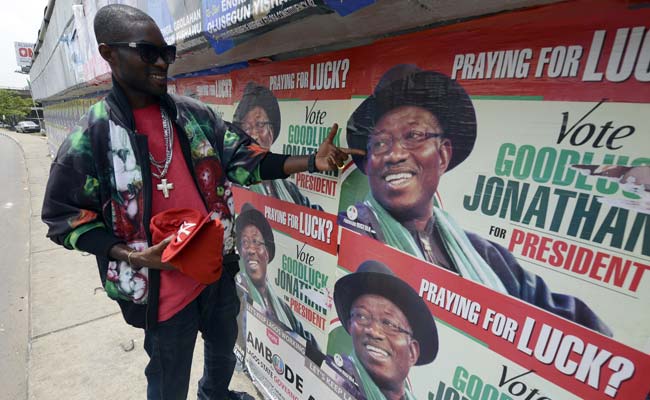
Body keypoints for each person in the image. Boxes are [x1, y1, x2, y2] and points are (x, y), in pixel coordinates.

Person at [40, 5, 361, 400]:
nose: (161, 63)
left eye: (167, 53)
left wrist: (313, 161)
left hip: (214, 273)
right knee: (168, 381)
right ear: (109, 54)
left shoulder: (194, 117)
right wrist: (132, 256)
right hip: (160, 292)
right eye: (148, 52)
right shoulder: (92, 136)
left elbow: (245, 162)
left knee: (223, 357)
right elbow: (63, 218)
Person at [341, 64, 612, 336]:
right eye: (379, 143)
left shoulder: (484, 256)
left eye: (413, 136)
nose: (394, 154)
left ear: (443, 155)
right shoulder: (356, 232)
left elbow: (581, 331)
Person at [322, 260, 438, 400]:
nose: (373, 331)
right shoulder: (332, 376)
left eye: (389, 323)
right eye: (362, 316)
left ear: (412, 352)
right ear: (350, 326)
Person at [235, 202, 319, 347]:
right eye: (245, 242)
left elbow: (309, 343)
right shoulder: (240, 289)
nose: (250, 249)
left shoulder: (282, 307)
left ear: (267, 253)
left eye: (255, 241)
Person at [233, 82, 322, 210]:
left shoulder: (289, 189)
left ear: (273, 129)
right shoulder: (236, 181)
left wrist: (315, 161)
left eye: (260, 125)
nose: (254, 135)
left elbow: (311, 212)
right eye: (246, 127)